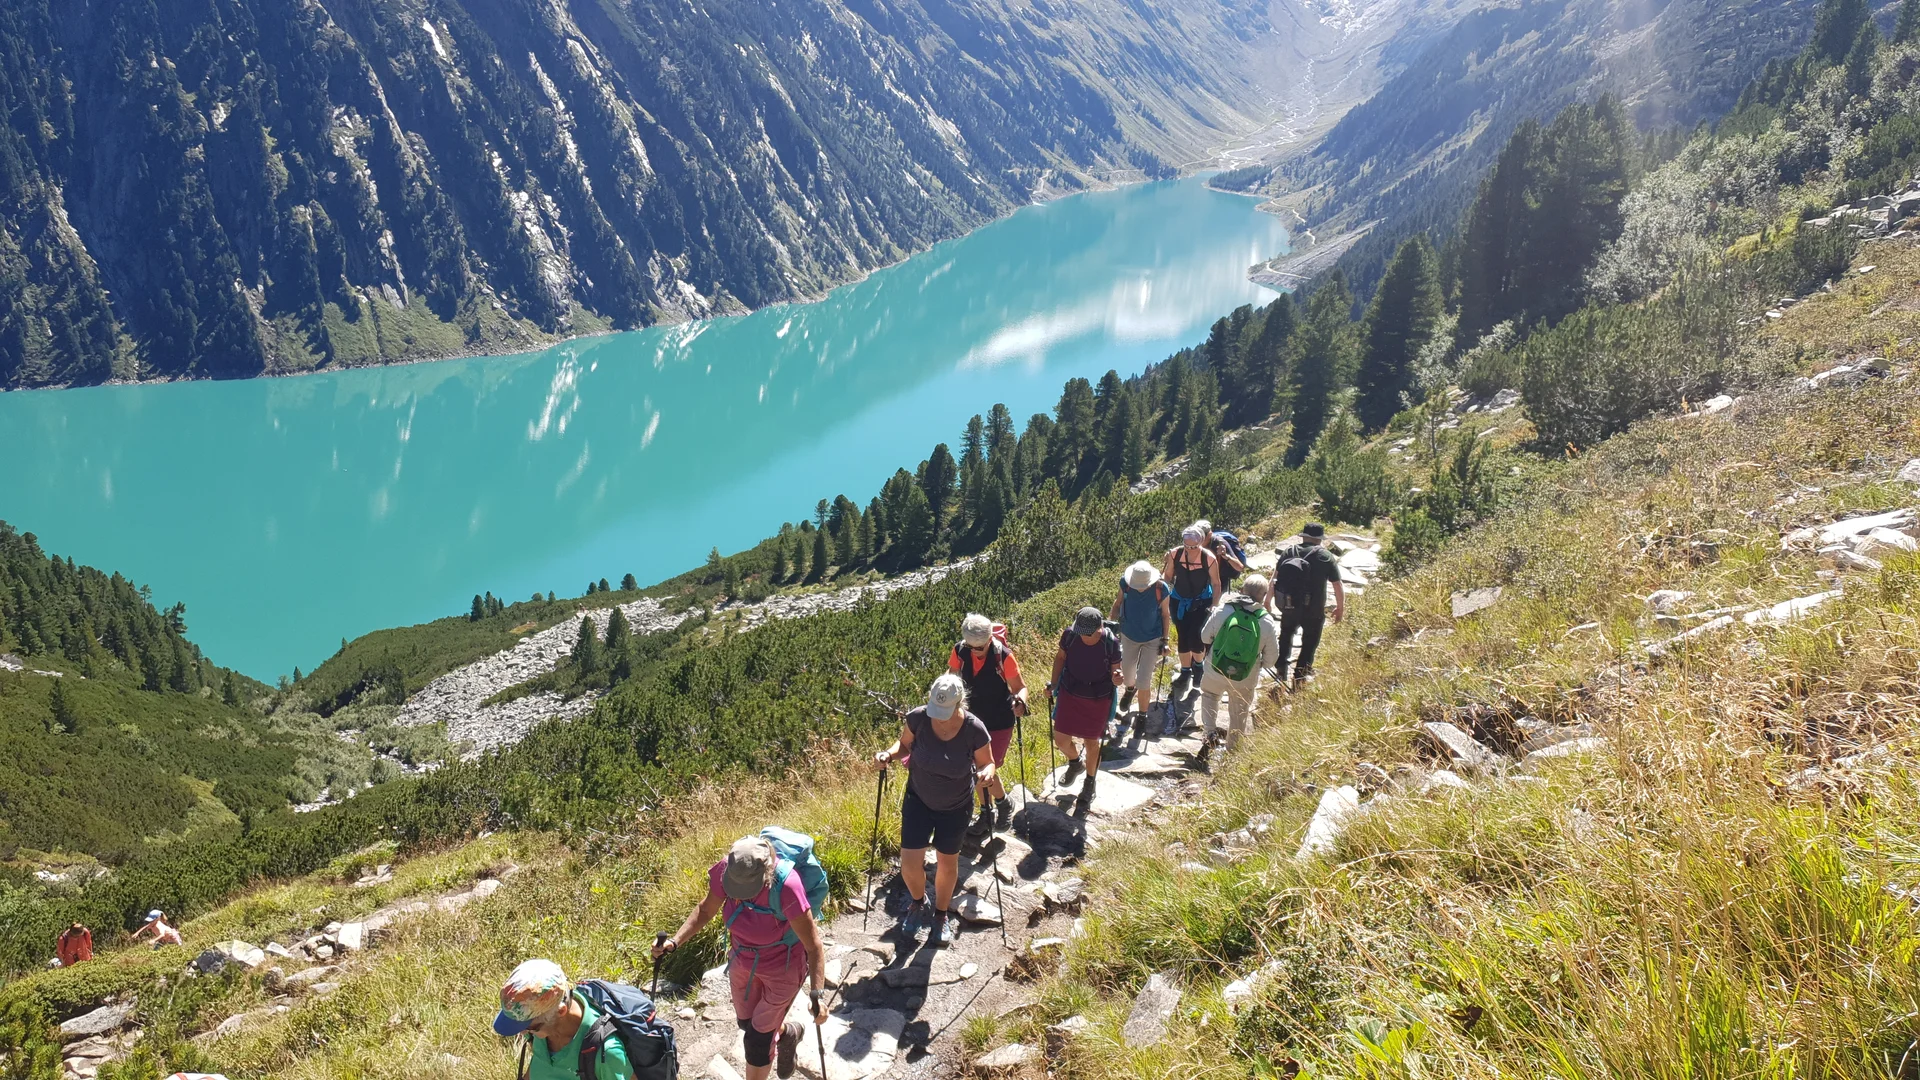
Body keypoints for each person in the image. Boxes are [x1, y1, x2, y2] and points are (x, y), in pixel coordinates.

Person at [654, 837, 829, 1080]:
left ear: (767, 874)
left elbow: (814, 946)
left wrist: (817, 995)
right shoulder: (727, 870)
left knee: (757, 1040)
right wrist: (674, 942)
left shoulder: (787, 886)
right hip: (742, 961)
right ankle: (789, 1033)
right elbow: (706, 910)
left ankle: (770, 1045)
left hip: (784, 968)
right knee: (747, 1024)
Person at [872, 673, 995, 945]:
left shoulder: (974, 729)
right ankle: (918, 902)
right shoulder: (918, 718)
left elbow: (988, 762)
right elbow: (904, 744)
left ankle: (940, 915)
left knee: (947, 863)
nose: (938, 716)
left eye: (945, 711)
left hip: (956, 806)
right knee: (909, 864)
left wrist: (987, 774)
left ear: (959, 703)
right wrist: (888, 755)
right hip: (919, 798)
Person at [493, 959, 642, 1080]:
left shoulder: (606, 1053)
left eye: (528, 1027)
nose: (521, 1033)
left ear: (561, 1011)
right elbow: (540, 1066)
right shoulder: (541, 1026)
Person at [948, 614, 1028, 839]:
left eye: (980, 647)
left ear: (990, 639)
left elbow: (1020, 687)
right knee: (974, 768)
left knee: (984, 767)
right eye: (971, 647)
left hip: (998, 721)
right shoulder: (959, 651)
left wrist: (1020, 701)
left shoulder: (1004, 656)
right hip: (969, 720)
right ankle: (992, 809)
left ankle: (998, 806)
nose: (976, 651)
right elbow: (952, 675)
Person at [1047, 607, 1122, 816]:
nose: (1084, 636)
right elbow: (1060, 658)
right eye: (1081, 632)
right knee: (1061, 738)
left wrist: (1118, 678)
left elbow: (1116, 671)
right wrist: (1053, 685)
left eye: (1087, 633)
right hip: (1070, 691)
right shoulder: (1070, 635)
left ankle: (1090, 781)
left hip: (1098, 697)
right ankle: (1074, 762)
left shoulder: (1110, 642)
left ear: (1100, 628)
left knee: (1091, 742)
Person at [1198, 574, 1282, 755]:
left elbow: (1205, 637)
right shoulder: (1266, 621)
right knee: (1239, 710)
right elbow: (1271, 660)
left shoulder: (1224, 610)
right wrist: (1258, 664)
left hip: (1216, 667)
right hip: (1245, 675)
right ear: (1265, 595)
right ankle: (1232, 750)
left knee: (1210, 696)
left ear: (1242, 590)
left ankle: (1210, 733)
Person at [1269, 523, 1345, 688]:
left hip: (1289, 606)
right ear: (1319, 539)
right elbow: (1337, 584)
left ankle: (1281, 669)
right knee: (1310, 642)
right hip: (1314, 610)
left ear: (1303, 536)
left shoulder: (1289, 552)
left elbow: (1274, 578)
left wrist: (1268, 601)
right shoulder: (1325, 556)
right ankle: (1300, 676)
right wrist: (1340, 608)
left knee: (1286, 636)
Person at [1108, 561, 1173, 740]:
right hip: (1129, 636)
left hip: (1152, 639)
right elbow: (1117, 605)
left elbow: (1165, 615)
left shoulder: (1161, 588)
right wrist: (1110, 630)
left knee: (1144, 680)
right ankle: (1130, 689)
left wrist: (1165, 641)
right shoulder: (1125, 584)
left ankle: (1143, 716)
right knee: (1127, 675)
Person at [1161, 524, 1222, 714]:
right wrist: (1163, 588)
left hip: (1201, 601)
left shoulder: (1208, 558)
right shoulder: (1175, 554)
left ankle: (1198, 667)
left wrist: (1214, 604)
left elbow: (1216, 583)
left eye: (1193, 547)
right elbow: (1168, 575)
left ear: (1201, 542)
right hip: (1179, 600)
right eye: (1186, 546)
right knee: (1182, 636)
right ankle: (1185, 671)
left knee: (1197, 636)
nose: (1189, 550)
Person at [1195, 518, 1247, 589]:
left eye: (1201, 535)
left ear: (1209, 534)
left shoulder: (1219, 543)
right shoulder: (1193, 543)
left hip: (1220, 581)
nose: (1198, 539)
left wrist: (1226, 556)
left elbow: (1240, 567)